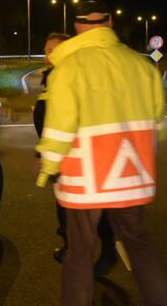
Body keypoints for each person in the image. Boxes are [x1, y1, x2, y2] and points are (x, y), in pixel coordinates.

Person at [36, 0, 167, 306]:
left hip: (86, 177)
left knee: (80, 251)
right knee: (139, 243)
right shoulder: (142, 66)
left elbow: (59, 127)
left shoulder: (70, 68)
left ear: (77, 27)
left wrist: (48, 167)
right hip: (131, 172)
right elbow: (158, 124)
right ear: (110, 23)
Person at [33, 32, 119, 276]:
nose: (49, 55)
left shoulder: (74, 77)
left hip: (79, 156)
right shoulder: (51, 77)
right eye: (47, 50)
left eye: (55, 49)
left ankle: (104, 252)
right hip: (60, 155)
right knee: (66, 208)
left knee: (88, 209)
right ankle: (73, 249)